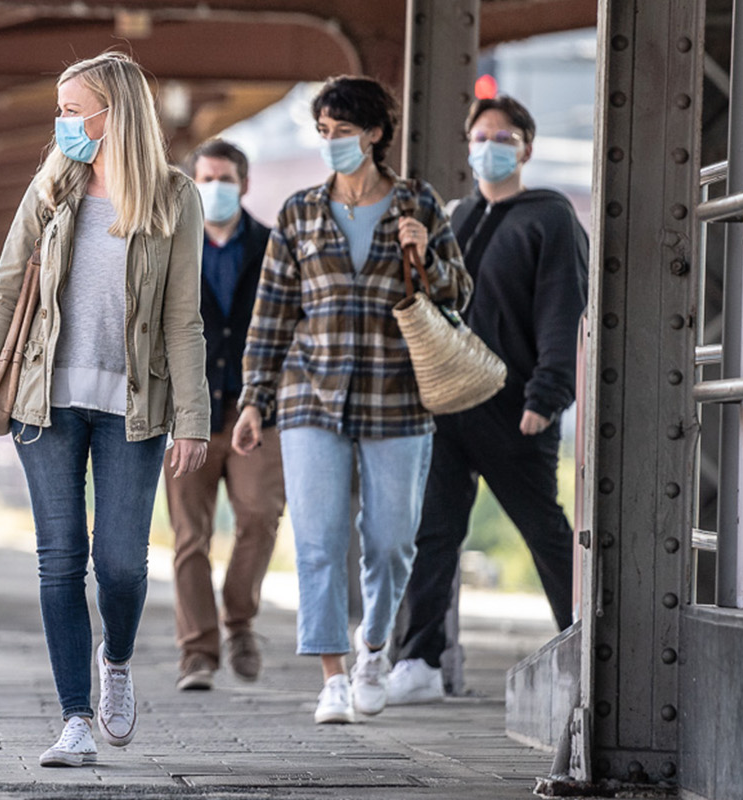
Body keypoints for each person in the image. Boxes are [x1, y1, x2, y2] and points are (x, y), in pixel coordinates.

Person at [0, 51, 209, 767]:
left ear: (112, 114)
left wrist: (194, 416)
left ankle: (115, 661)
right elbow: (6, 292)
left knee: (121, 565)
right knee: (60, 560)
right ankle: (73, 720)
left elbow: (183, 320)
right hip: (45, 403)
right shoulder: (51, 189)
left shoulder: (173, 197)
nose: (61, 124)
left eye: (72, 111)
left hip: (136, 406)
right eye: (60, 110)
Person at [229, 75, 469, 725]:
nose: (331, 144)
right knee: (319, 538)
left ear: (375, 134)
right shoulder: (300, 213)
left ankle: (372, 652)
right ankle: (333, 676)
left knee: (391, 542)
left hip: (398, 396)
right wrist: (256, 400)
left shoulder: (418, 204)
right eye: (323, 133)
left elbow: (457, 294)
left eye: (343, 133)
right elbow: (273, 313)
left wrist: (428, 255)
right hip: (312, 395)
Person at [386, 95, 585, 705]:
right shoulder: (458, 214)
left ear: (526, 147)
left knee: (544, 530)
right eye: (479, 137)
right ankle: (418, 659)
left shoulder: (550, 217)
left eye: (503, 137)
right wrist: (418, 249)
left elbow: (562, 307)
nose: (489, 148)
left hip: (515, 403)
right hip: (448, 401)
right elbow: (438, 305)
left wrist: (548, 394)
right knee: (434, 531)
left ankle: (585, 640)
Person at [163, 139, 287, 692]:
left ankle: (239, 620)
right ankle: (198, 651)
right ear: (191, 184)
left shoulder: (274, 246)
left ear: (245, 183)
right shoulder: (169, 241)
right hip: (187, 409)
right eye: (206, 178)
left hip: (256, 409)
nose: (216, 188)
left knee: (259, 515)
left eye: (226, 178)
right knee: (190, 535)